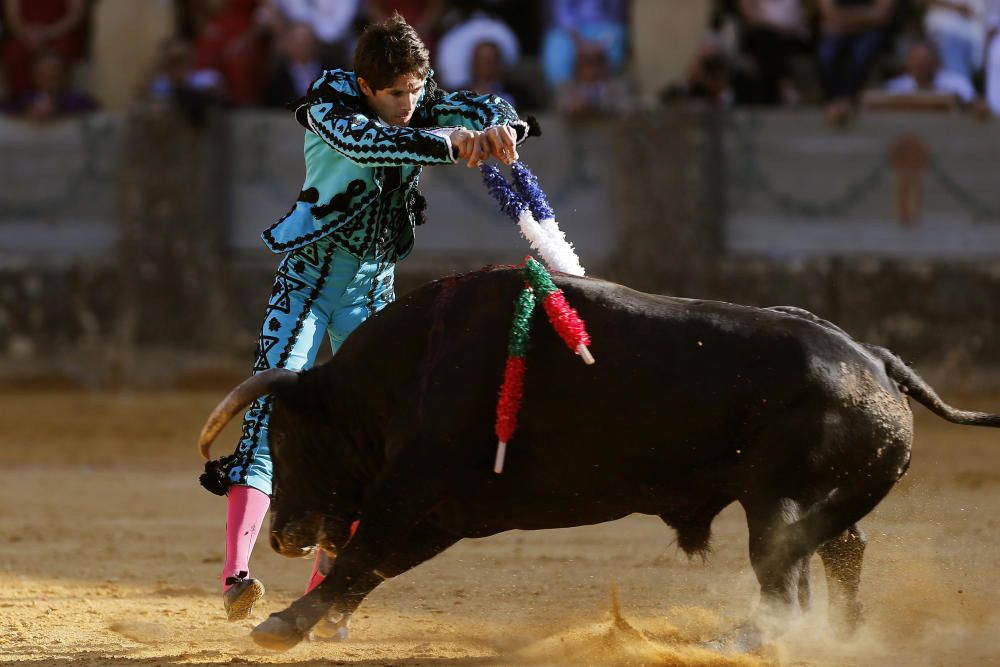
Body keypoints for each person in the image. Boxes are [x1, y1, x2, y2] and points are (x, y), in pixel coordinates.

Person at [199, 12, 530, 623]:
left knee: (384, 435)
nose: (409, 104)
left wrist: (503, 127)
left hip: (372, 286)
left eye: (415, 90)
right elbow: (367, 142)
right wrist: (449, 140)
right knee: (271, 409)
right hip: (309, 281)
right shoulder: (330, 105)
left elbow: (486, 106)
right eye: (396, 93)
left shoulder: (421, 100)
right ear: (365, 85)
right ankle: (234, 575)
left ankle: (323, 591)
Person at [2, 49, 97, 122]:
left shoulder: (75, 99)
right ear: (34, 75)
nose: (50, 74)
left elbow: (94, 113)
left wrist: (59, 111)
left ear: (63, 74)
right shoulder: (22, 99)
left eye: (54, 70)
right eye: (44, 71)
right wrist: (26, 114)